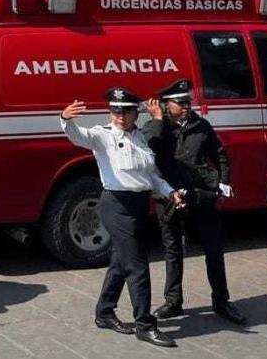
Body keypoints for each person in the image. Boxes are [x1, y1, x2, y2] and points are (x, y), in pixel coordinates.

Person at [61, 88, 184, 348]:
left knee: (120, 261)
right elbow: (78, 136)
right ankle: (145, 325)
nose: (120, 116)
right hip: (115, 205)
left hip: (139, 205)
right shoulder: (103, 136)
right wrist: (66, 119)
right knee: (137, 265)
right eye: (115, 111)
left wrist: (170, 192)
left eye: (125, 111)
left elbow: (149, 177)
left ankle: (104, 312)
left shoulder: (140, 137)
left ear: (134, 114)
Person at [142, 79, 244, 325]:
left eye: (188, 101)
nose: (186, 106)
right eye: (180, 103)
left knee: (214, 249)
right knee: (173, 250)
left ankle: (221, 301)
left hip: (201, 194)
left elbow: (219, 155)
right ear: (166, 105)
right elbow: (148, 149)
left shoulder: (201, 125)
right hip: (168, 197)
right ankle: (173, 302)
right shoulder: (156, 127)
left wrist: (223, 184)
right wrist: (156, 120)